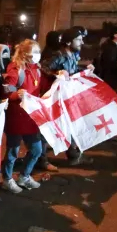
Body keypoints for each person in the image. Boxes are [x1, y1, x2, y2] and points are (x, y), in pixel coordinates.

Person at [0, 40, 58, 194]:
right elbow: (5, 92)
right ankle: (7, 179)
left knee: (36, 150)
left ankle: (24, 176)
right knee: (13, 151)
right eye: (34, 52)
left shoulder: (37, 70)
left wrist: (61, 78)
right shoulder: (15, 71)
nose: (38, 55)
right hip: (16, 118)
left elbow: (46, 86)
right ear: (25, 54)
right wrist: (16, 95)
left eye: (38, 51)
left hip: (31, 118)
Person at [43, 28, 95, 165]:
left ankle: (73, 155)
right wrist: (57, 73)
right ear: (68, 42)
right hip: (55, 98)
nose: (82, 42)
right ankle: (41, 159)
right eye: (78, 39)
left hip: (66, 97)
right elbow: (43, 67)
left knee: (69, 124)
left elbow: (72, 71)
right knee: (51, 127)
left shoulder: (72, 55)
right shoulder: (59, 55)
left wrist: (85, 70)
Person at [96, 27, 117, 93]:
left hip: (115, 79)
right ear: (115, 35)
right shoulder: (110, 48)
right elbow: (107, 64)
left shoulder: (116, 46)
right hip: (111, 80)